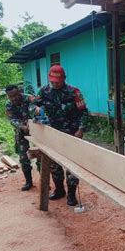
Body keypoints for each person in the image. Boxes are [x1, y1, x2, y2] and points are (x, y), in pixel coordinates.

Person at [34, 64, 89, 205]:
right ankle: (59, 190)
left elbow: (83, 112)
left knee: (72, 166)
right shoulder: (44, 91)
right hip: (51, 134)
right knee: (54, 165)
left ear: (64, 79)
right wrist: (35, 110)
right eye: (52, 81)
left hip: (72, 134)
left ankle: (71, 194)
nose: (55, 84)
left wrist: (81, 128)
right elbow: (32, 105)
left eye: (57, 81)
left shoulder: (74, 92)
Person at [5, 84, 35, 191]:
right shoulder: (8, 104)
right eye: (11, 96)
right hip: (21, 131)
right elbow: (12, 120)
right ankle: (29, 182)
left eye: (16, 95)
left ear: (20, 92)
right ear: (8, 96)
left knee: (41, 154)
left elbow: (36, 111)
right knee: (23, 157)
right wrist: (22, 127)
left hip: (36, 130)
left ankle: (44, 180)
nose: (14, 98)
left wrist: (32, 124)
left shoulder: (29, 98)